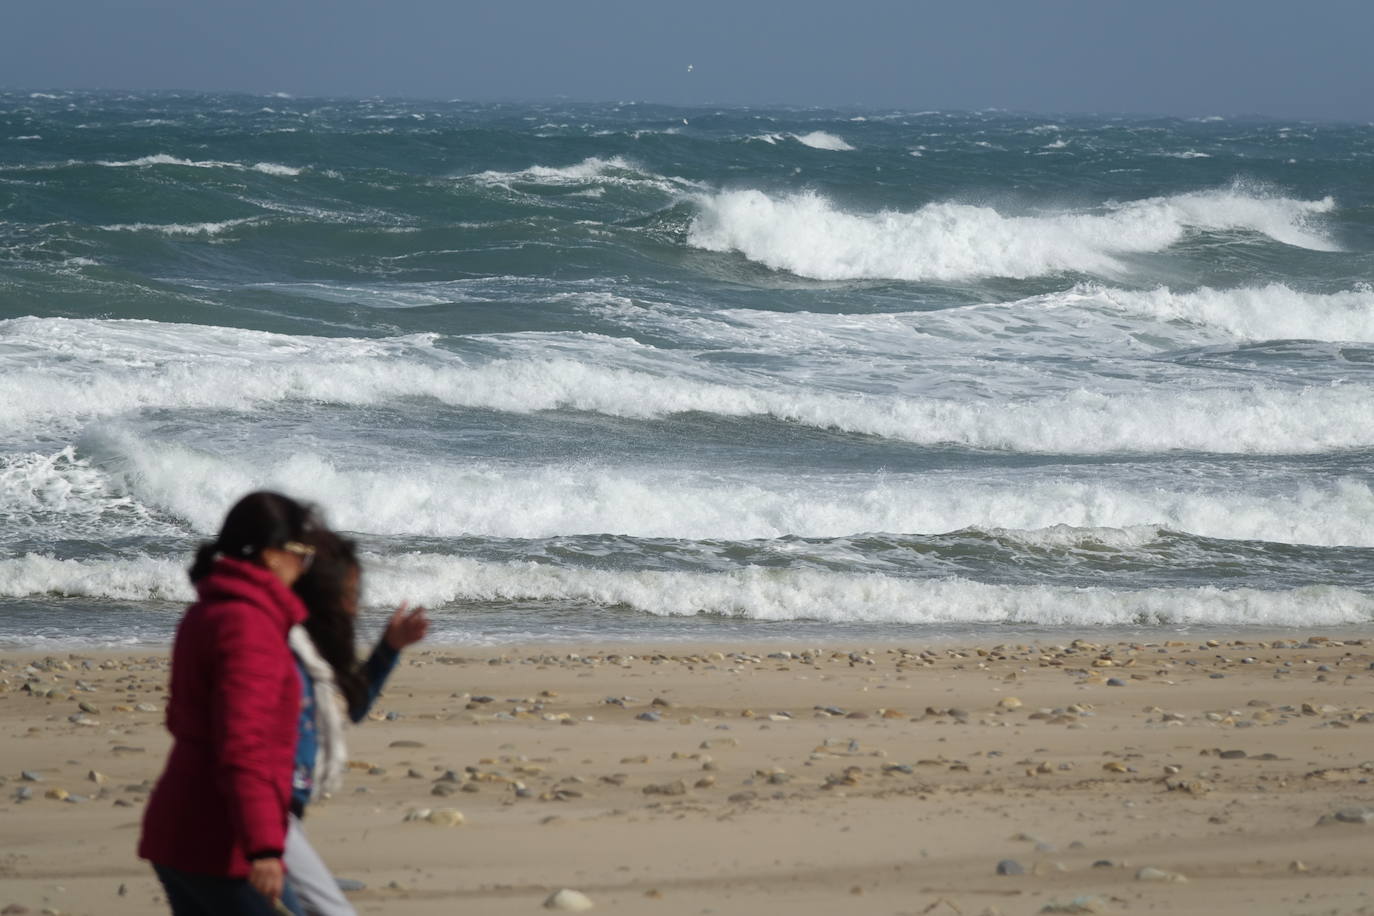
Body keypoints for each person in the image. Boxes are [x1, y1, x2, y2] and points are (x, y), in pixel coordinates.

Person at [140, 492, 322, 915]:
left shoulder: (208, 611)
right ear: (272, 555)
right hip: (222, 841)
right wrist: (263, 847)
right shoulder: (248, 626)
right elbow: (244, 744)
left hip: (179, 829)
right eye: (302, 554)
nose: (305, 567)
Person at [283, 531, 429, 915]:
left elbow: (347, 707)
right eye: (349, 594)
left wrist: (388, 649)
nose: (354, 605)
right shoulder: (281, 653)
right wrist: (265, 851)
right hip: (254, 822)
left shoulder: (308, 653)